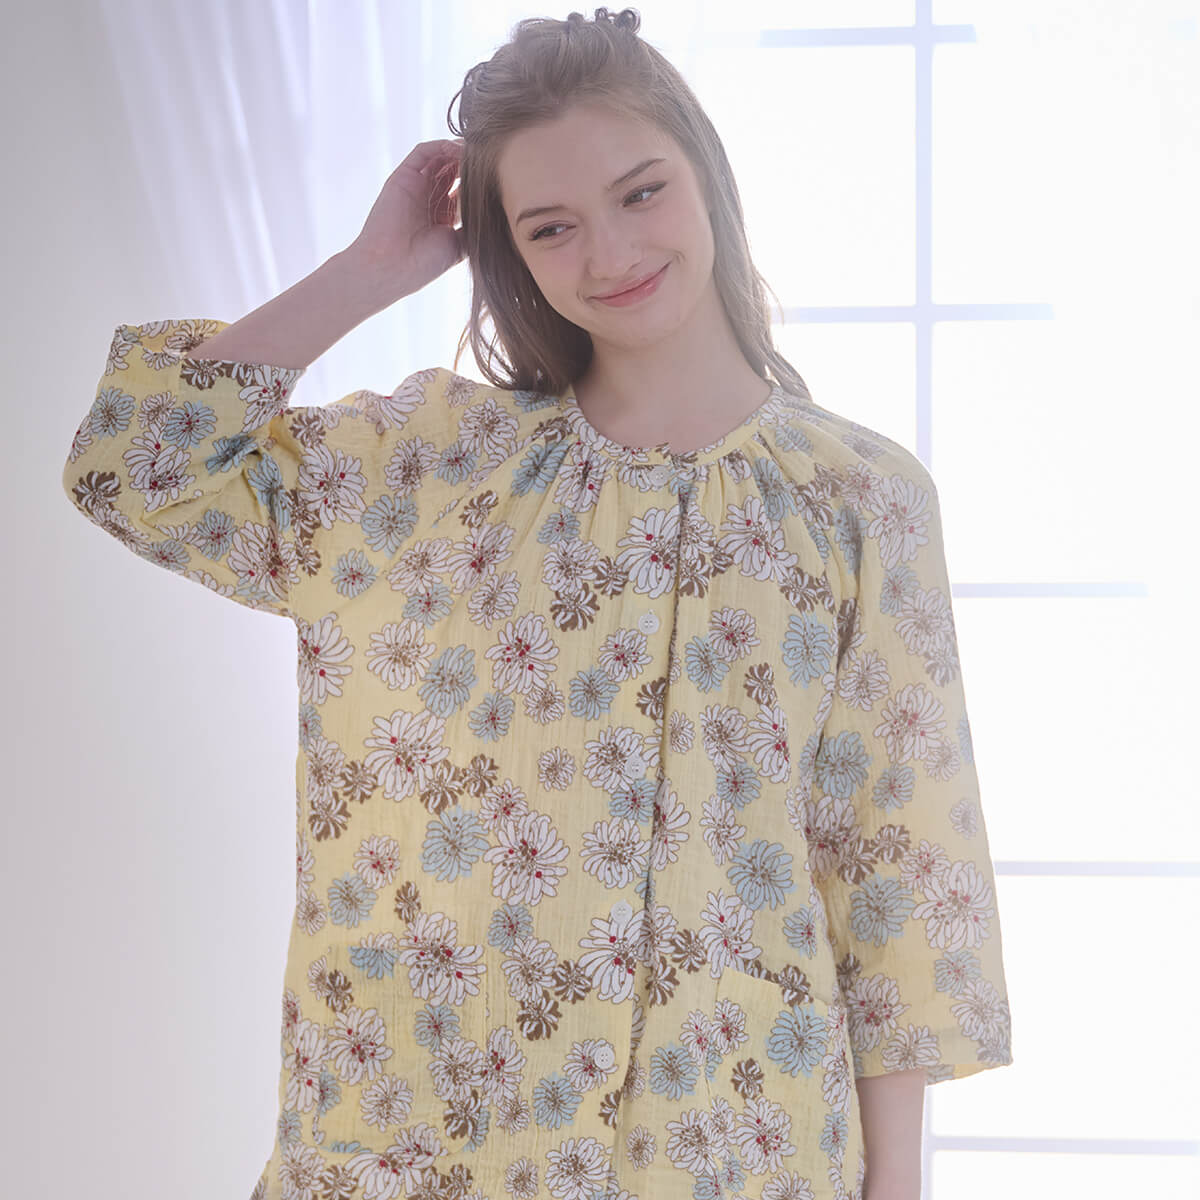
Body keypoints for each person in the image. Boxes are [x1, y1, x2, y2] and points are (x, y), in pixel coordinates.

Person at [62, 8, 1013, 1200]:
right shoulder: (431, 468)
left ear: (706, 177)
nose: (608, 252)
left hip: (736, 1147)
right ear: (508, 251)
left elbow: (899, 871)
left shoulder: (862, 499)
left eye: (640, 192)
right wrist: (367, 272)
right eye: (550, 226)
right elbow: (137, 469)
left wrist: (897, 1185)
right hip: (437, 1140)